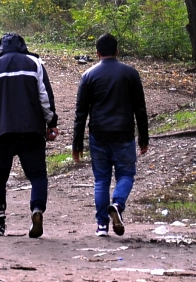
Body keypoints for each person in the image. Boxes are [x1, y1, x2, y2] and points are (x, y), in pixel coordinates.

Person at [0, 33, 59, 238]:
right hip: (31, 130)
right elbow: (44, 97)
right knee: (38, 175)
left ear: (0, 48)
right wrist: (51, 123)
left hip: (2, 132)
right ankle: (37, 209)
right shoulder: (35, 63)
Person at [72, 33, 149, 237]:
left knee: (101, 180)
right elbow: (140, 108)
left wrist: (77, 144)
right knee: (126, 174)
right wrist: (144, 138)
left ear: (97, 53)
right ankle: (117, 204)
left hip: (98, 134)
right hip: (124, 133)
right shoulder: (130, 74)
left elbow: (81, 113)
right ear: (117, 51)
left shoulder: (88, 75)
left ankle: (101, 226)